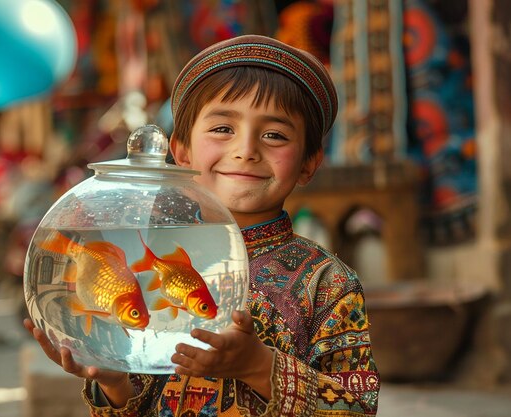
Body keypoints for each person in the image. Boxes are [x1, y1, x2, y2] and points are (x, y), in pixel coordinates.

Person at [24, 34, 380, 416]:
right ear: (181, 152)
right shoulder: (157, 262)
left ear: (309, 163)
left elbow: (358, 406)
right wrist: (114, 380)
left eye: (274, 134)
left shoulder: (327, 283)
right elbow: (138, 399)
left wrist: (259, 366)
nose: (246, 149)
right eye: (223, 129)